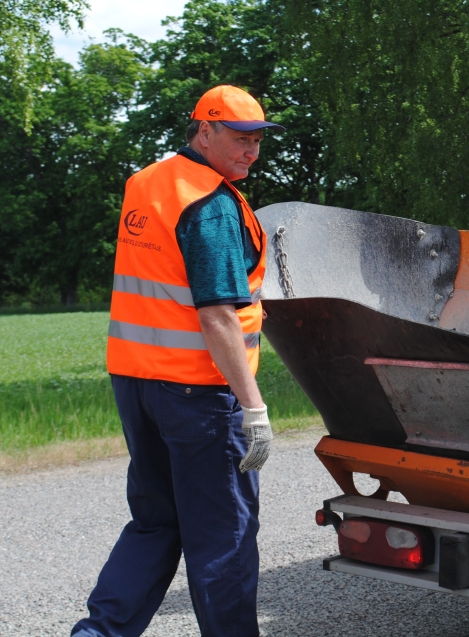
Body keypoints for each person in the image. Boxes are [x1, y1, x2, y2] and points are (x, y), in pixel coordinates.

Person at [72, 85, 285, 637]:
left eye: (258, 140)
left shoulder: (146, 182)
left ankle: (98, 635)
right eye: (240, 138)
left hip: (137, 381)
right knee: (224, 536)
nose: (251, 152)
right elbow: (216, 316)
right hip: (197, 393)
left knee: (156, 523)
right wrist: (253, 407)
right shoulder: (209, 203)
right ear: (204, 129)